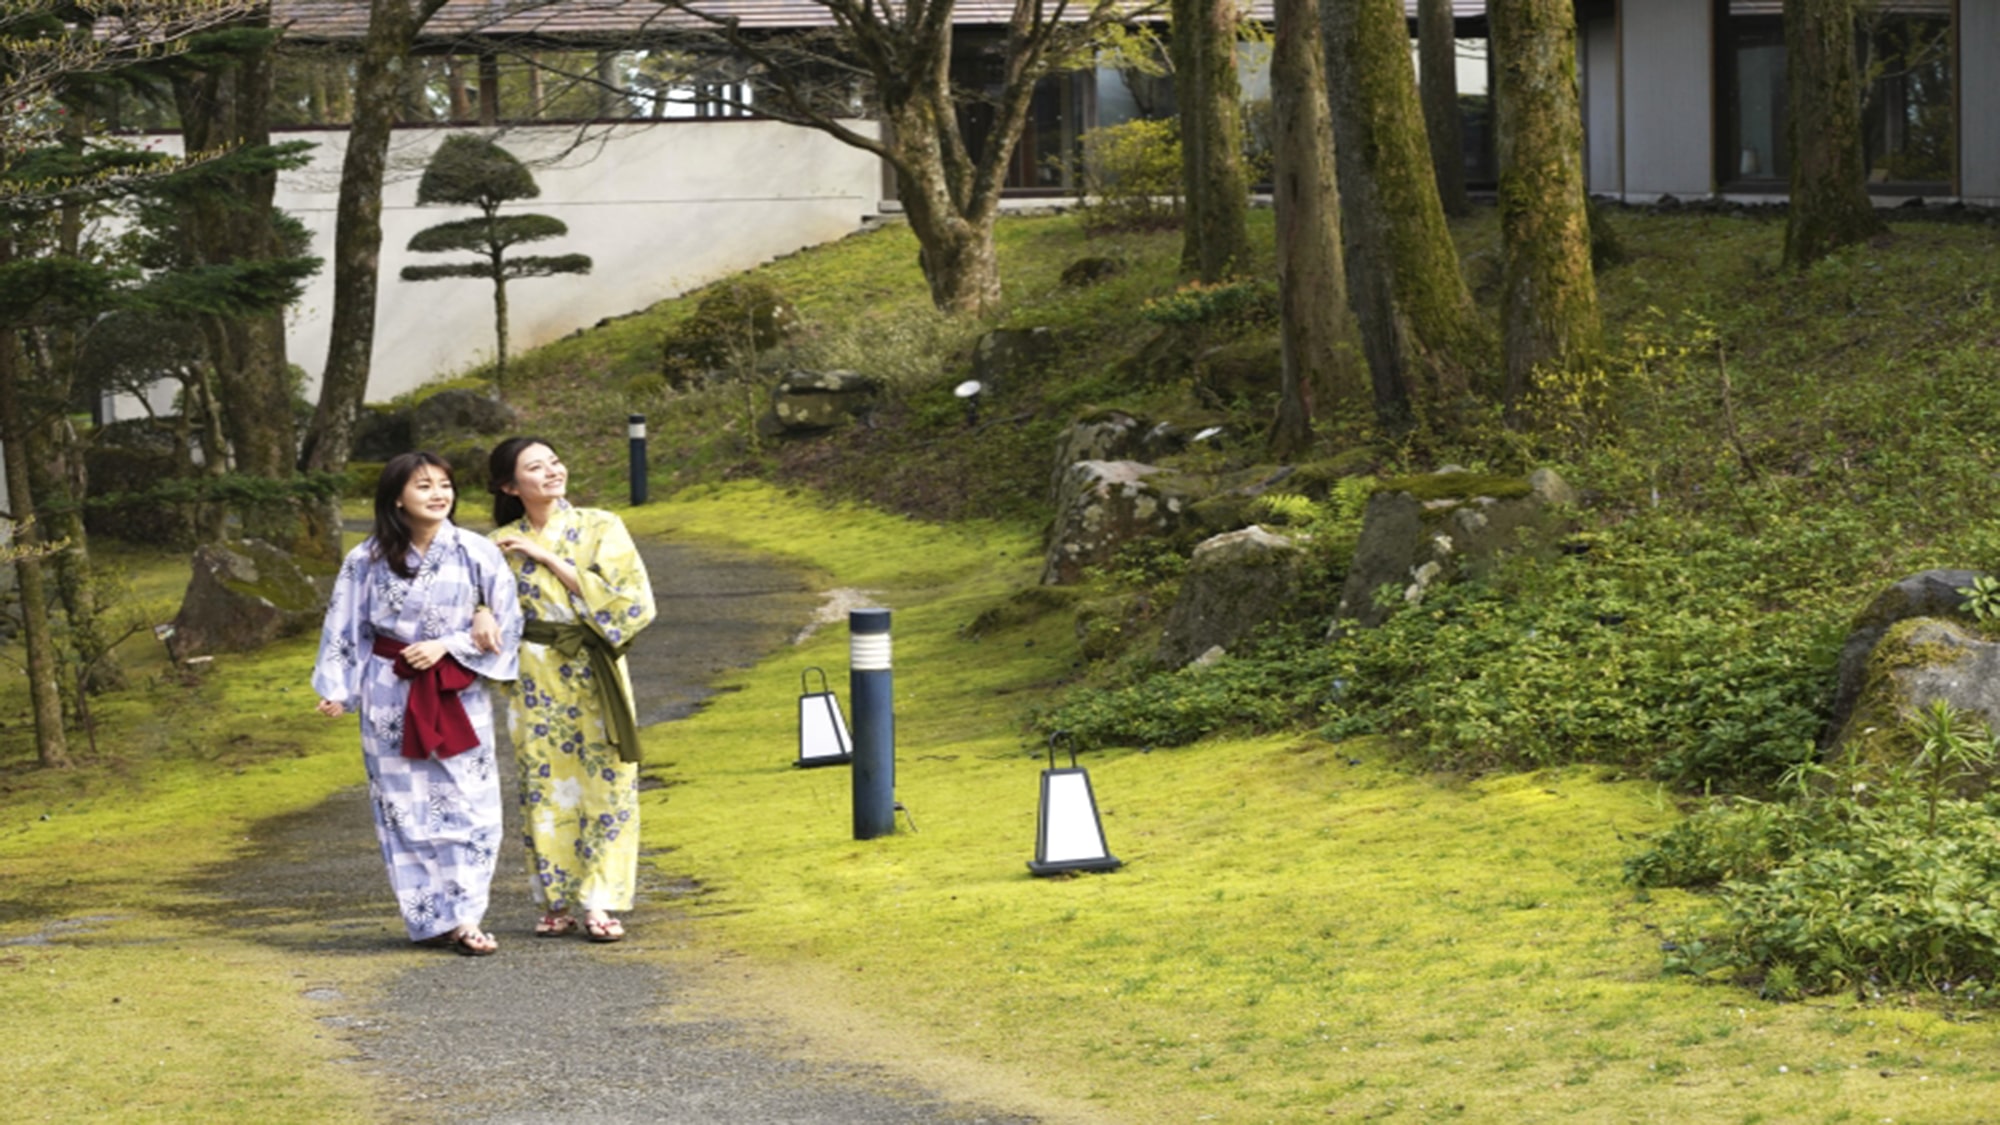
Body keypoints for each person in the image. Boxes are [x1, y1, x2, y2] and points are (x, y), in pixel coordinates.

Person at [312, 452, 523, 956]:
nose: (438, 494)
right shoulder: (365, 559)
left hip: (455, 690)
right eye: (424, 485)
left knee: (472, 808)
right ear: (397, 497)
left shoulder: (476, 552)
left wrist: (451, 644)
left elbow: (508, 624)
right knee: (403, 809)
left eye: (445, 484)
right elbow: (346, 626)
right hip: (389, 691)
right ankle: (432, 919)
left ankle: (467, 915)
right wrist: (337, 689)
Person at [488, 436, 656, 943]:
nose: (552, 472)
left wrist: (548, 558)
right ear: (510, 486)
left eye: (555, 462)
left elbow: (634, 603)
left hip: (593, 666)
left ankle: (600, 900)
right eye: (535, 468)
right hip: (536, 675)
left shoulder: (602, 526)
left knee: (608, 780)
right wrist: (479, 611)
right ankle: (555, 897)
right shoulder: (497, 543)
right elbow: (480, 603)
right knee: (544, 781)